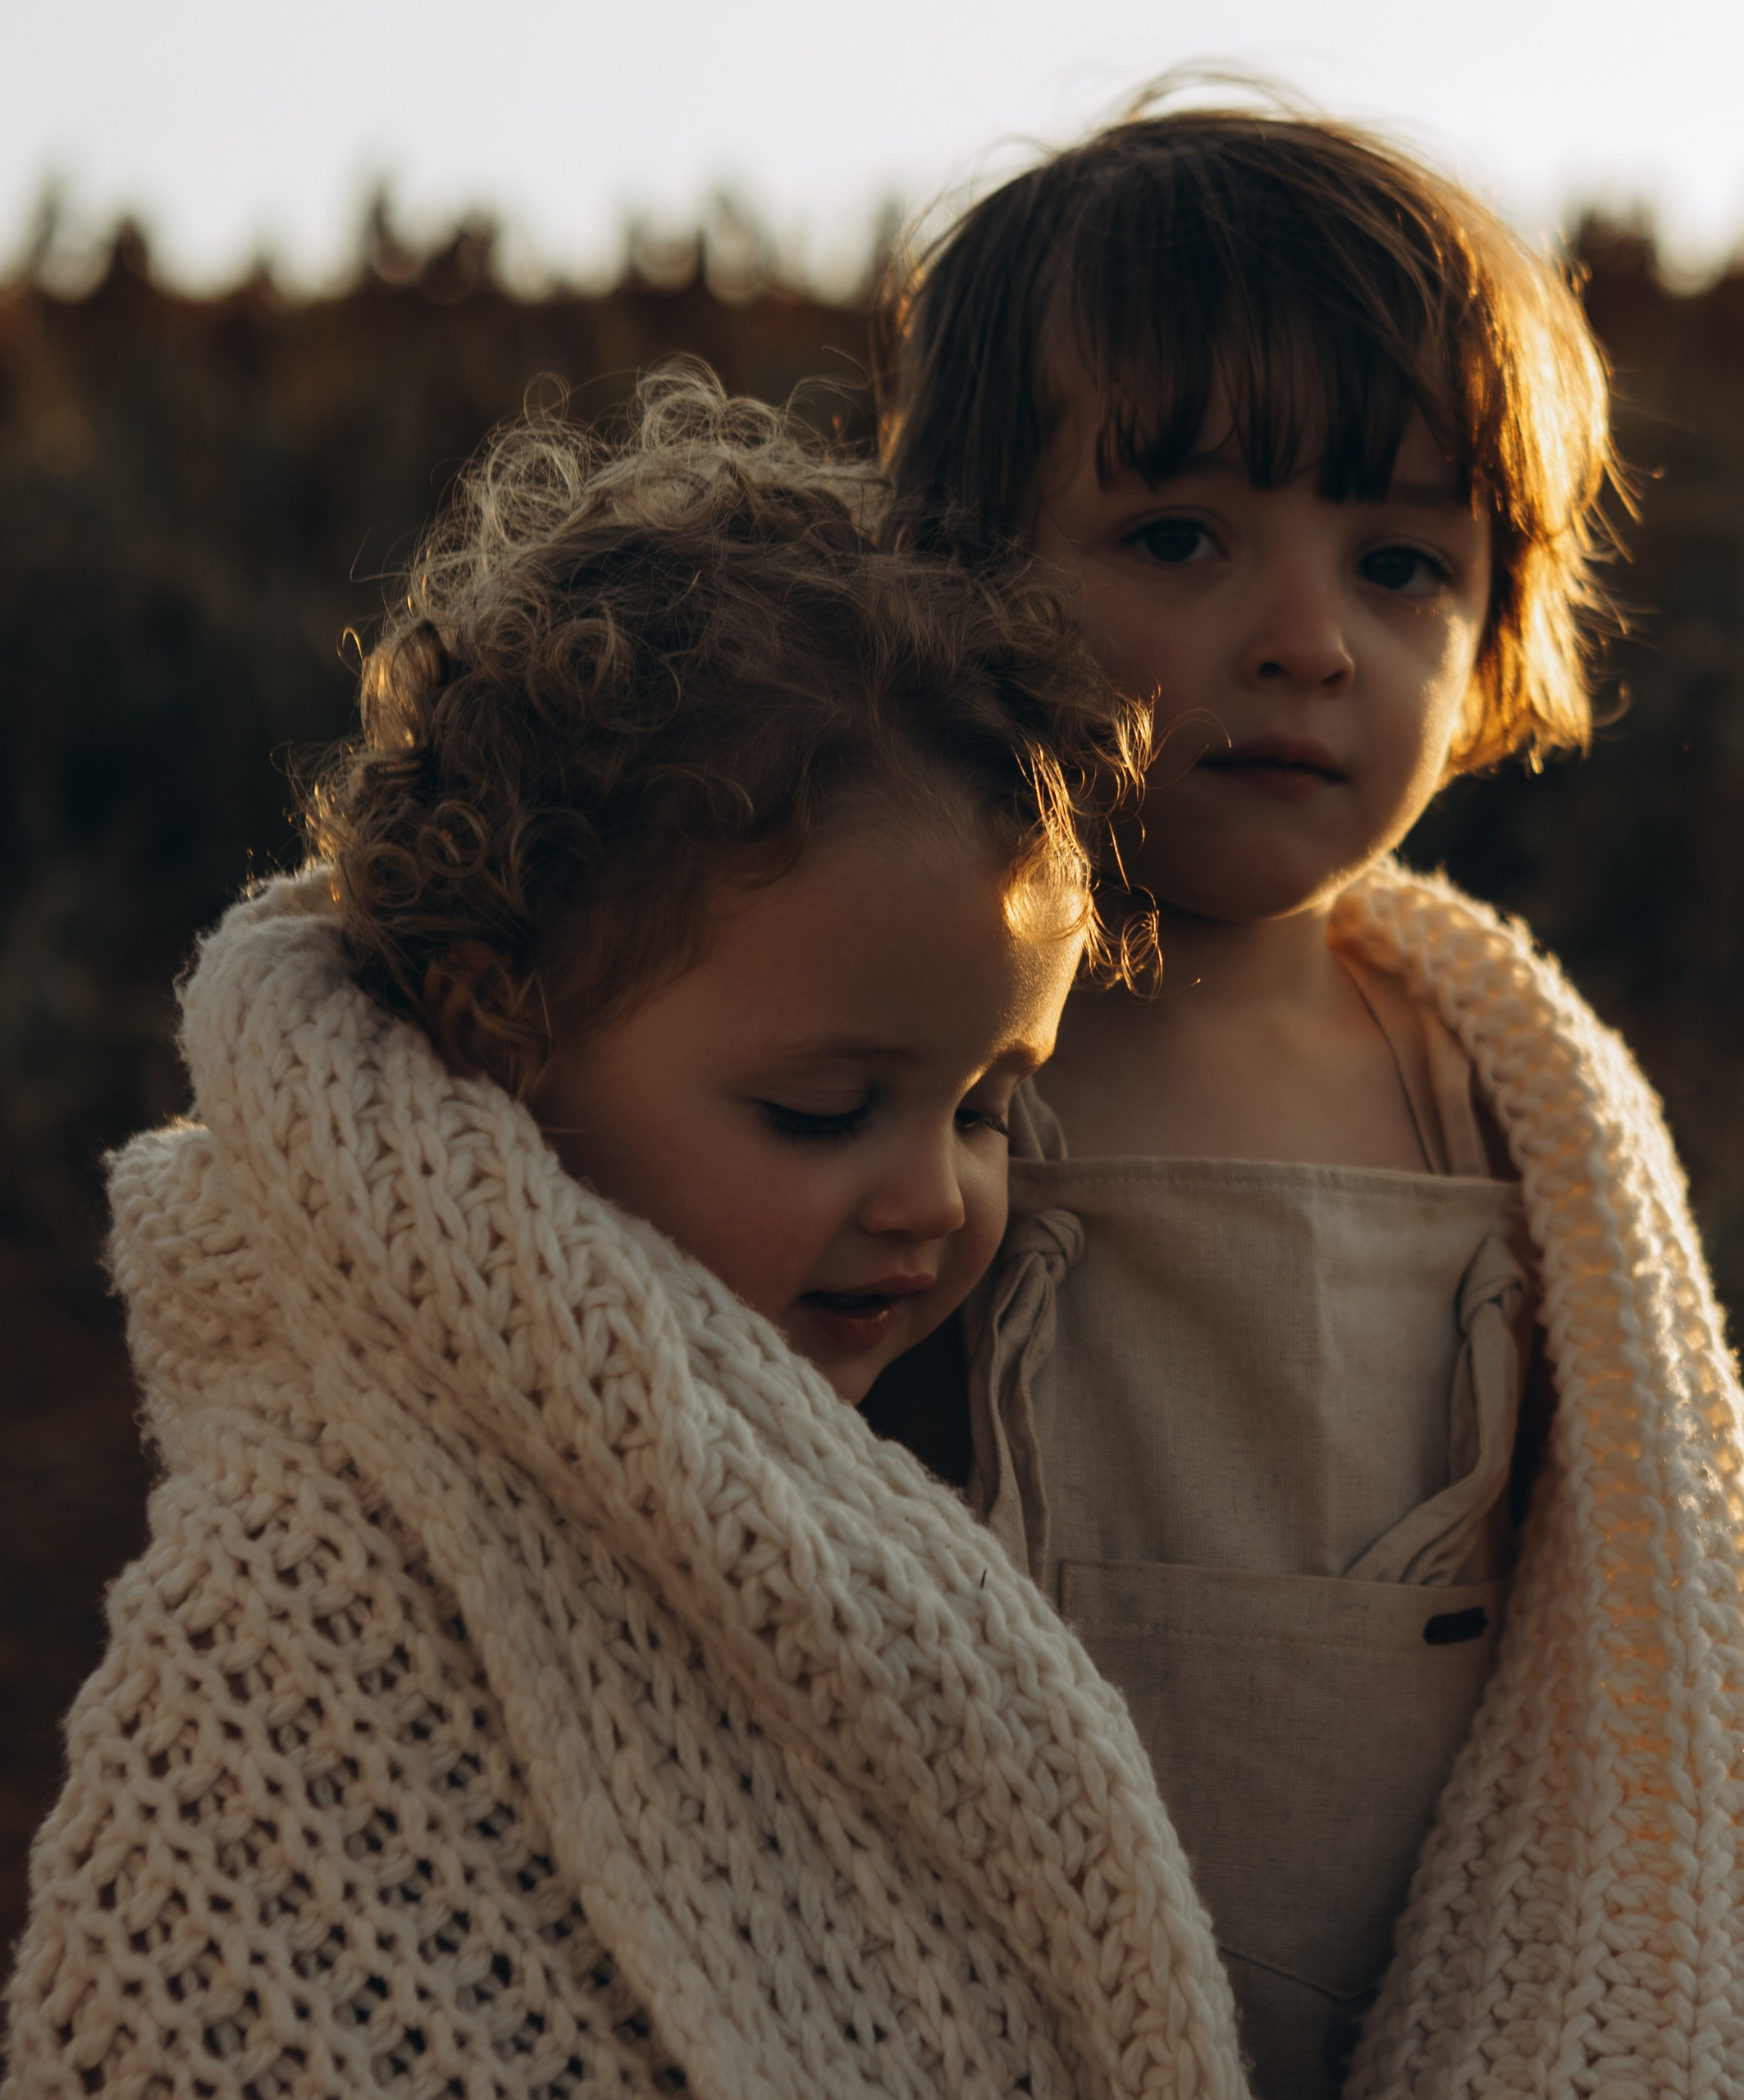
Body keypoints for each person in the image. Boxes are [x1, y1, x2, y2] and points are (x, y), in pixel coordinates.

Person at [2, 371, 1260, 2099]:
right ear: (492, 1036)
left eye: (982, 1103)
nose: (930, 1194)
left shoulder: (897, 1469)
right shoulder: (304, 1582)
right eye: (823, 1110)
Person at [877, 103, 1744, 2098]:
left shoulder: (1491, 1093)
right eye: (1177, 537)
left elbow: (1616, 1647)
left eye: (1401, 560)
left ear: (1498, 619)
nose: (1303, 638)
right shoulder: (900, 1036)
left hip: (1403, 2019)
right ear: (958, 568)